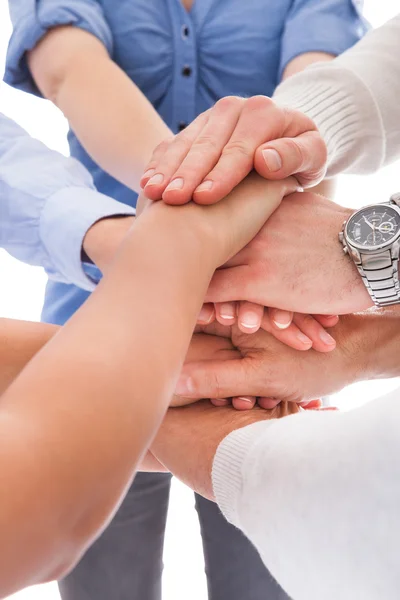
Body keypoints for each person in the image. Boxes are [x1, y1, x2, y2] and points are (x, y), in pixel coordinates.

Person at [4, 2, 367, 598]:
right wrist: (189, 218)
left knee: (261, 579)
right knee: (104, 580)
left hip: (258, 349)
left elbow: (314, 103)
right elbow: (69, 70)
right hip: (107, 323)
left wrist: (195, 237)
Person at [0, 111, 297, 598]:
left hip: (203, 354)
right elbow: (36, 521)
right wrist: (186, 230)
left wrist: (167, 376)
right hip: (165, 331)